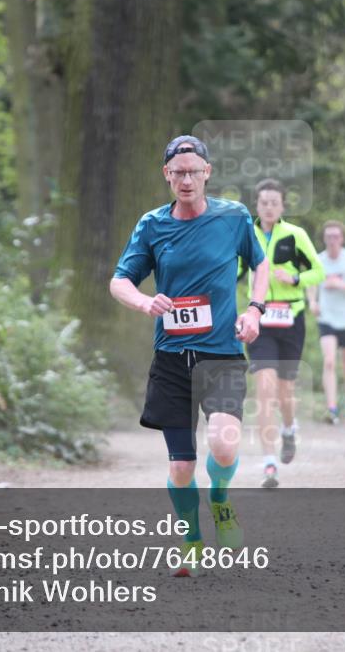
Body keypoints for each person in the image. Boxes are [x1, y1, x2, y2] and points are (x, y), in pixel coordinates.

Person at [109, 135, 269, 577]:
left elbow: (261, 264)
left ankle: (219, 499)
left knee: (222, 443)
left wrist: (254, 310)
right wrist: (145, 303)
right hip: (172, 358)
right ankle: (191, 539)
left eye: (193, 171)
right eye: (177, 172)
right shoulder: (152, 225)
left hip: (220, 354)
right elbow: (119, 280)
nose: (185, 179)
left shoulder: (233, 217)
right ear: (166, 175)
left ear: (207, 173)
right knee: (181, 466)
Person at [242, 178, 325, 488]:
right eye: (263, 202)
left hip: (291, 319)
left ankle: (289, 429)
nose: (268, 207)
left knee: (285, 393)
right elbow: (234, 271)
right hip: (259, 319)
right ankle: (269, 464)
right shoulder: (247, 235)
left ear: (282, 206)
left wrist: (293, 278)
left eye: (274, 203)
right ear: (257, 205)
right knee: (264, 390)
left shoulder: (295, 235)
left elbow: (319, 271)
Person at [306, 221, 345, 425]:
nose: (332, 240)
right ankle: (332, 408)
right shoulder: (318, 259)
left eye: (336, 236)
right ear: (324, 239)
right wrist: (313, 301)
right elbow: (311, 283)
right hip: (327, 318)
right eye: (328, 237)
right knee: (329, 361)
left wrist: (339, 284)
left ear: (342, 238)